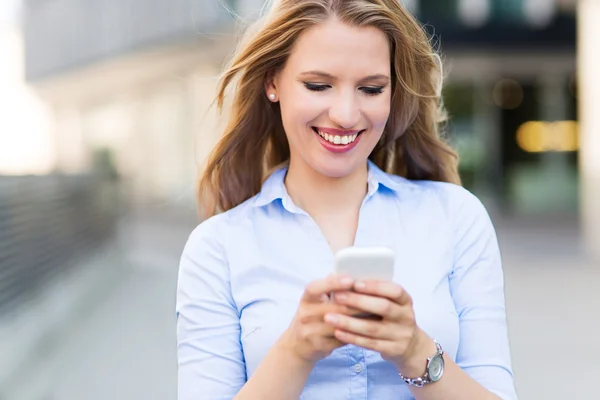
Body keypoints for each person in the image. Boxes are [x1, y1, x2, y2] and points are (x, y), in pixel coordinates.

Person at [176, 0, 518, 399]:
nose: (345, 113)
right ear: (273, 81)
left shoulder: (456, 218)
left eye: (371, 89)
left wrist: (415, 352)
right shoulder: (216, 248)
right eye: (318, 85)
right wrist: (295, 351)